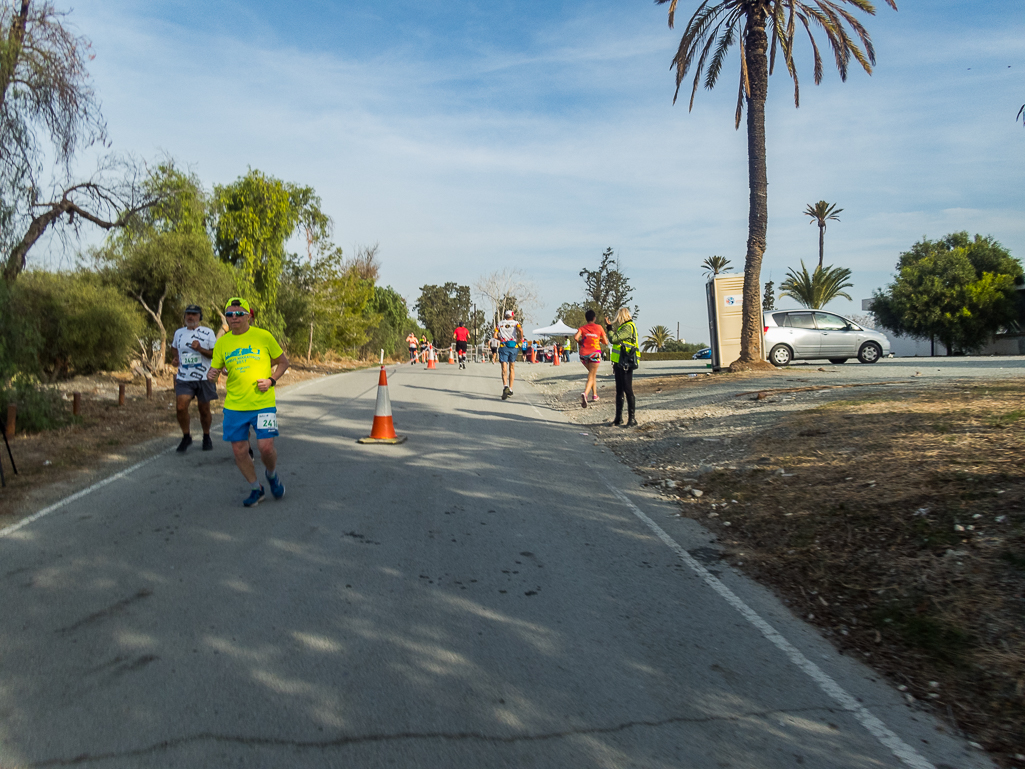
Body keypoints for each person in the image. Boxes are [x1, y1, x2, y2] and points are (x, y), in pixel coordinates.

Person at [207, 298, 290, 507]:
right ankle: (256, 488)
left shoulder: (263, 336)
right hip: (235, 406)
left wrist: (272, 380)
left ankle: (271, 475)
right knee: (239, 451)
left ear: (248, 316)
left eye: (239, 313)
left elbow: (283, 362)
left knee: (266, 448)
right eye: (230, 314)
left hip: (263, 403)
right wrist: (212, 374)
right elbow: (217, 370)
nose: (234, 318)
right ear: (226, 318)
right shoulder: (223, 343)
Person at [171, 304, 219, 452]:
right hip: (184, 377)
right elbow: (174, 347)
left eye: (194, 314)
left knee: (204, 410)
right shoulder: (179, 333)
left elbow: (215, 354)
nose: (190, 317)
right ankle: (186, 436)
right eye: (188, 314)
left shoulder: (208, 332)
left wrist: (199, 349)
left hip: (204, 377)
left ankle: (206, 436)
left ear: (200, 317)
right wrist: (175, 358)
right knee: (180, 406)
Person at [606, 307, 640, 427]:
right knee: (619, 390)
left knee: (628, 389)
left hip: (626, 363)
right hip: (620, 363)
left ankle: (632, 418)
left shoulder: (628, 327)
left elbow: (614, 339)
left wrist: (609, 329)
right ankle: (618, 418)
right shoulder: (624, 327)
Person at [574, 309, 608, 408]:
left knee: (592, 374)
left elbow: (576, 337)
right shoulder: (599, 327)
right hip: (594, 353)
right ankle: (586, 393)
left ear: (586, 318)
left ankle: (595, 395)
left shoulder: (582, 328)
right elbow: (606, 342)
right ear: (594, 318)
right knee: (592, 374)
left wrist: (581, 343)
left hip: (583, 354)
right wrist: (598, 339)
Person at [494, 310, 523, 400]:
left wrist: (501, 338)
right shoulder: (516, 323)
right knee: (512, 367)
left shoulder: (500, 324)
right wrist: (521, 340)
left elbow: (495, 335)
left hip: (504, 346)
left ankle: (505, 386)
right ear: (512, 316)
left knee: (504, 368)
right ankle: (510, 388)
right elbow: (520, 330)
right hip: (513, 346)